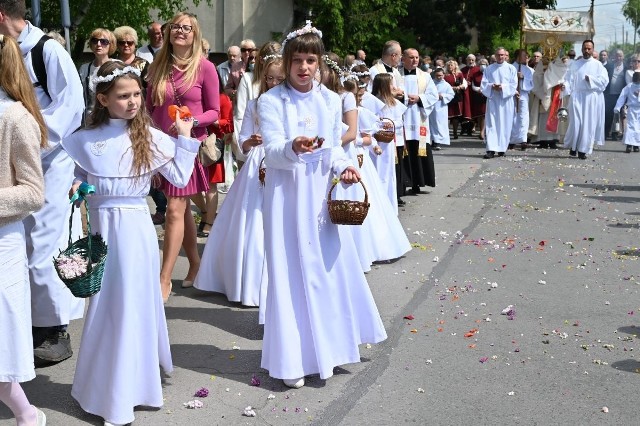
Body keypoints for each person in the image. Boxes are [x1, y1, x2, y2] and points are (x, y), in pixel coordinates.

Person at [62, 61, 199, 426]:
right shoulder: (85, 138)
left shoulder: (150, 137)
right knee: (106, 306)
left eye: (137, 93)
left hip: (136, 229)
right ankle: (102, 388)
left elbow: (180, 175)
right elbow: (77, 173)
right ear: (103, 99)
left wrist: (183, 136)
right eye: (124, 96)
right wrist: (78, 187)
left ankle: (131, 390)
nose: (133, 101)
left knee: (133, 304)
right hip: (103, 228)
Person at [257, 21, 387, 389]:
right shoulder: (269, 101)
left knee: (324, 270)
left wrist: (346, 169)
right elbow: (271, 150)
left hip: (318, 196)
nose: (303, 67)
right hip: (285, 195)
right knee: (290, 271)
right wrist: (292, 147)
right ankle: (292, 358)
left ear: (320, 63)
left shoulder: (330, 101)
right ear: (286, 61)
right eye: (297, 60)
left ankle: (328, 350)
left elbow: (334, 150)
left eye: (310, 60)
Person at [0, 0, 85, 364]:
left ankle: (54, 329)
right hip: (13, 158)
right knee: (18, 246)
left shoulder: (46, 50)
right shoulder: (6, 50)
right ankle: (27, 324)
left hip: (50, 161)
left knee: (43, 247)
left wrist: (28, 143)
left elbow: (71, 107)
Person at [194, 53, 283, 315]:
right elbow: (242, 141)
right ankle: (246, 280)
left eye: (280, 78)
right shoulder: (256, 104)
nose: (275, 83)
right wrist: (250, 142)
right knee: (251, 220)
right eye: (270, 78)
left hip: (282, 160)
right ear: (264, 79)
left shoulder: (293, 105)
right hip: (258, 163)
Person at [146, 12, 220, 301]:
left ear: (195, 34)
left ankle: (164, 279)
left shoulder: (205, 68)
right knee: (183, 210)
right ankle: (196, 263)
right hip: (163, 147)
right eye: (175, 27)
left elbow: (214, 111)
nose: (180, 31)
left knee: (175, 209)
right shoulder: (158, 67)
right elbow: (151, 108)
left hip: (189, 148)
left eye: (186, 28)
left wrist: (191, 122)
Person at [0, 33, 47, 426]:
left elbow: (33, 192)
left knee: (1, 344)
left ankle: (27, 414)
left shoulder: (15, 117)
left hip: (2, 243)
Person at [398, 47, 438, 193]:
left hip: (418, 117)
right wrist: (404, 98)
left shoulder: (425, 76)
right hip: (402, 118)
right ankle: (403, 183)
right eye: (411, 57)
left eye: (416, 57)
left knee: (418, 149)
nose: (415, 60)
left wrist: (420, 98)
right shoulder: (397, 75)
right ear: (403, 59)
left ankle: (417, 183)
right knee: (404, 149)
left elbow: (433, 95)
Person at [561, 40, 608, 160]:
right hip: (577, 96)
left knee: (587, 124)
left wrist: (591, 79)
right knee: (576, 123)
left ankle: (583, 150)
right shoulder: (575, 64)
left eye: (589, 49)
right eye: (585, 48)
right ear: (581, 49)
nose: (587, 51)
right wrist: (565, 86)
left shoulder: (598, 65)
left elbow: (604, 81)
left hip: (590, 98)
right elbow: (568, 79)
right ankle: (573, 147)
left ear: (592, 49)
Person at [372, 73, 408, 210]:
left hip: (388, 143)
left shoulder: (394, 103)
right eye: (391, 84)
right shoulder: (374, 102)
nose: (394, 87)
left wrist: (389, 123)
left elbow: (399, 122)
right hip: (375, 142)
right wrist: (380, 124)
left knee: (388, 172)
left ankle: (389, 201)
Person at [480, 47, 518, 158]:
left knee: (505, 124)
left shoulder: (511, 68)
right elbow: (484, 84)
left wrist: (502, 87)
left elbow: (513, 84)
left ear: (505, 56)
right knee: (492, 124)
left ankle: (502, 148)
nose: (500, 57)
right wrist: (492, 86)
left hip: (506, 100)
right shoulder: (489, 69)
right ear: (495, 56)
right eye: (498, 55)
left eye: (502, 55)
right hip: (493, 100)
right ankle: (491, 149)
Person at [78, 28, 117, 123]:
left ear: (111, 45)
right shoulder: (84, 68)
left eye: (104, 41)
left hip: (114, 118)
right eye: (95, 41)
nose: (98, 44)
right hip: (90, 120)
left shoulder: (118, 66)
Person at [510, 49, 534, 150]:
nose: (526, 58)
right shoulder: (510, 67)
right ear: (518, 56)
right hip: (511, 95)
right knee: (512, 117)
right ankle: (511, 139)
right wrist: (515, 77)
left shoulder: (528, 70)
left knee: (523, 116)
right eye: (524, 56)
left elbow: (532, 83)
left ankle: (523, 139)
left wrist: (523, 77)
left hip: (523, 94)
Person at [614, 71, 640, 153]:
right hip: (631, 109)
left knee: (638, 128)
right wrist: (617, 107)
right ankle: (629, 145)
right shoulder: (629, 87)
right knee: (630, 127)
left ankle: (636, 145)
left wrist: (639, 95)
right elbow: (622, 97)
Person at [444, 59, 470, 139]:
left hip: (457, 96)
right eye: (448, 65)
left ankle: (455, 132)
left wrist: (460, 86)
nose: (450, 66)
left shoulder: (459, 74)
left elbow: (463, 83)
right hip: (448, 96)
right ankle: (445, 133)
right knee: (447, 115)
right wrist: (451, 88)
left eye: (452, 65)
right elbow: (443, 84)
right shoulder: (445, 75)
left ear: (455, 66)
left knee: (456, 116)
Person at [429, 67, 455, 147]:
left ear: (443, 75)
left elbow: (451, 94)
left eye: (440, 75)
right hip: (432, 107)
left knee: (440, 124)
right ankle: (433, 140)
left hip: (441, 107)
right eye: (437, 75)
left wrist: (443, 96)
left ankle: (438, 141)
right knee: (432, 124)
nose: (439, 77)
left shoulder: (446, 85)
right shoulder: (431, 83)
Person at [604, 49, 626, 140]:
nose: (619, 58)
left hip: (620, 95)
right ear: (614, 56)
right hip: (610, 94)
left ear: (623, 57)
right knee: (609, 114)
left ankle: (615, 133)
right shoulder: (609, 66)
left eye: (620, 56)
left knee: (619, 115)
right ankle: (606, 132)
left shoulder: (626, 67)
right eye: (617, 56)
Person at [468, 57, 488, 140]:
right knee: (479, 115)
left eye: (484, 64)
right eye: (481, 64)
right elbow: (473, 84)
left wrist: (484, 90)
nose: (482, 66)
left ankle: (482, 132)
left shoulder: (489, 73)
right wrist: (478, 89)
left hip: (486, 95)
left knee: (484, 114)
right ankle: (481, 130)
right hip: (477, 95)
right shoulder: (475, 74)